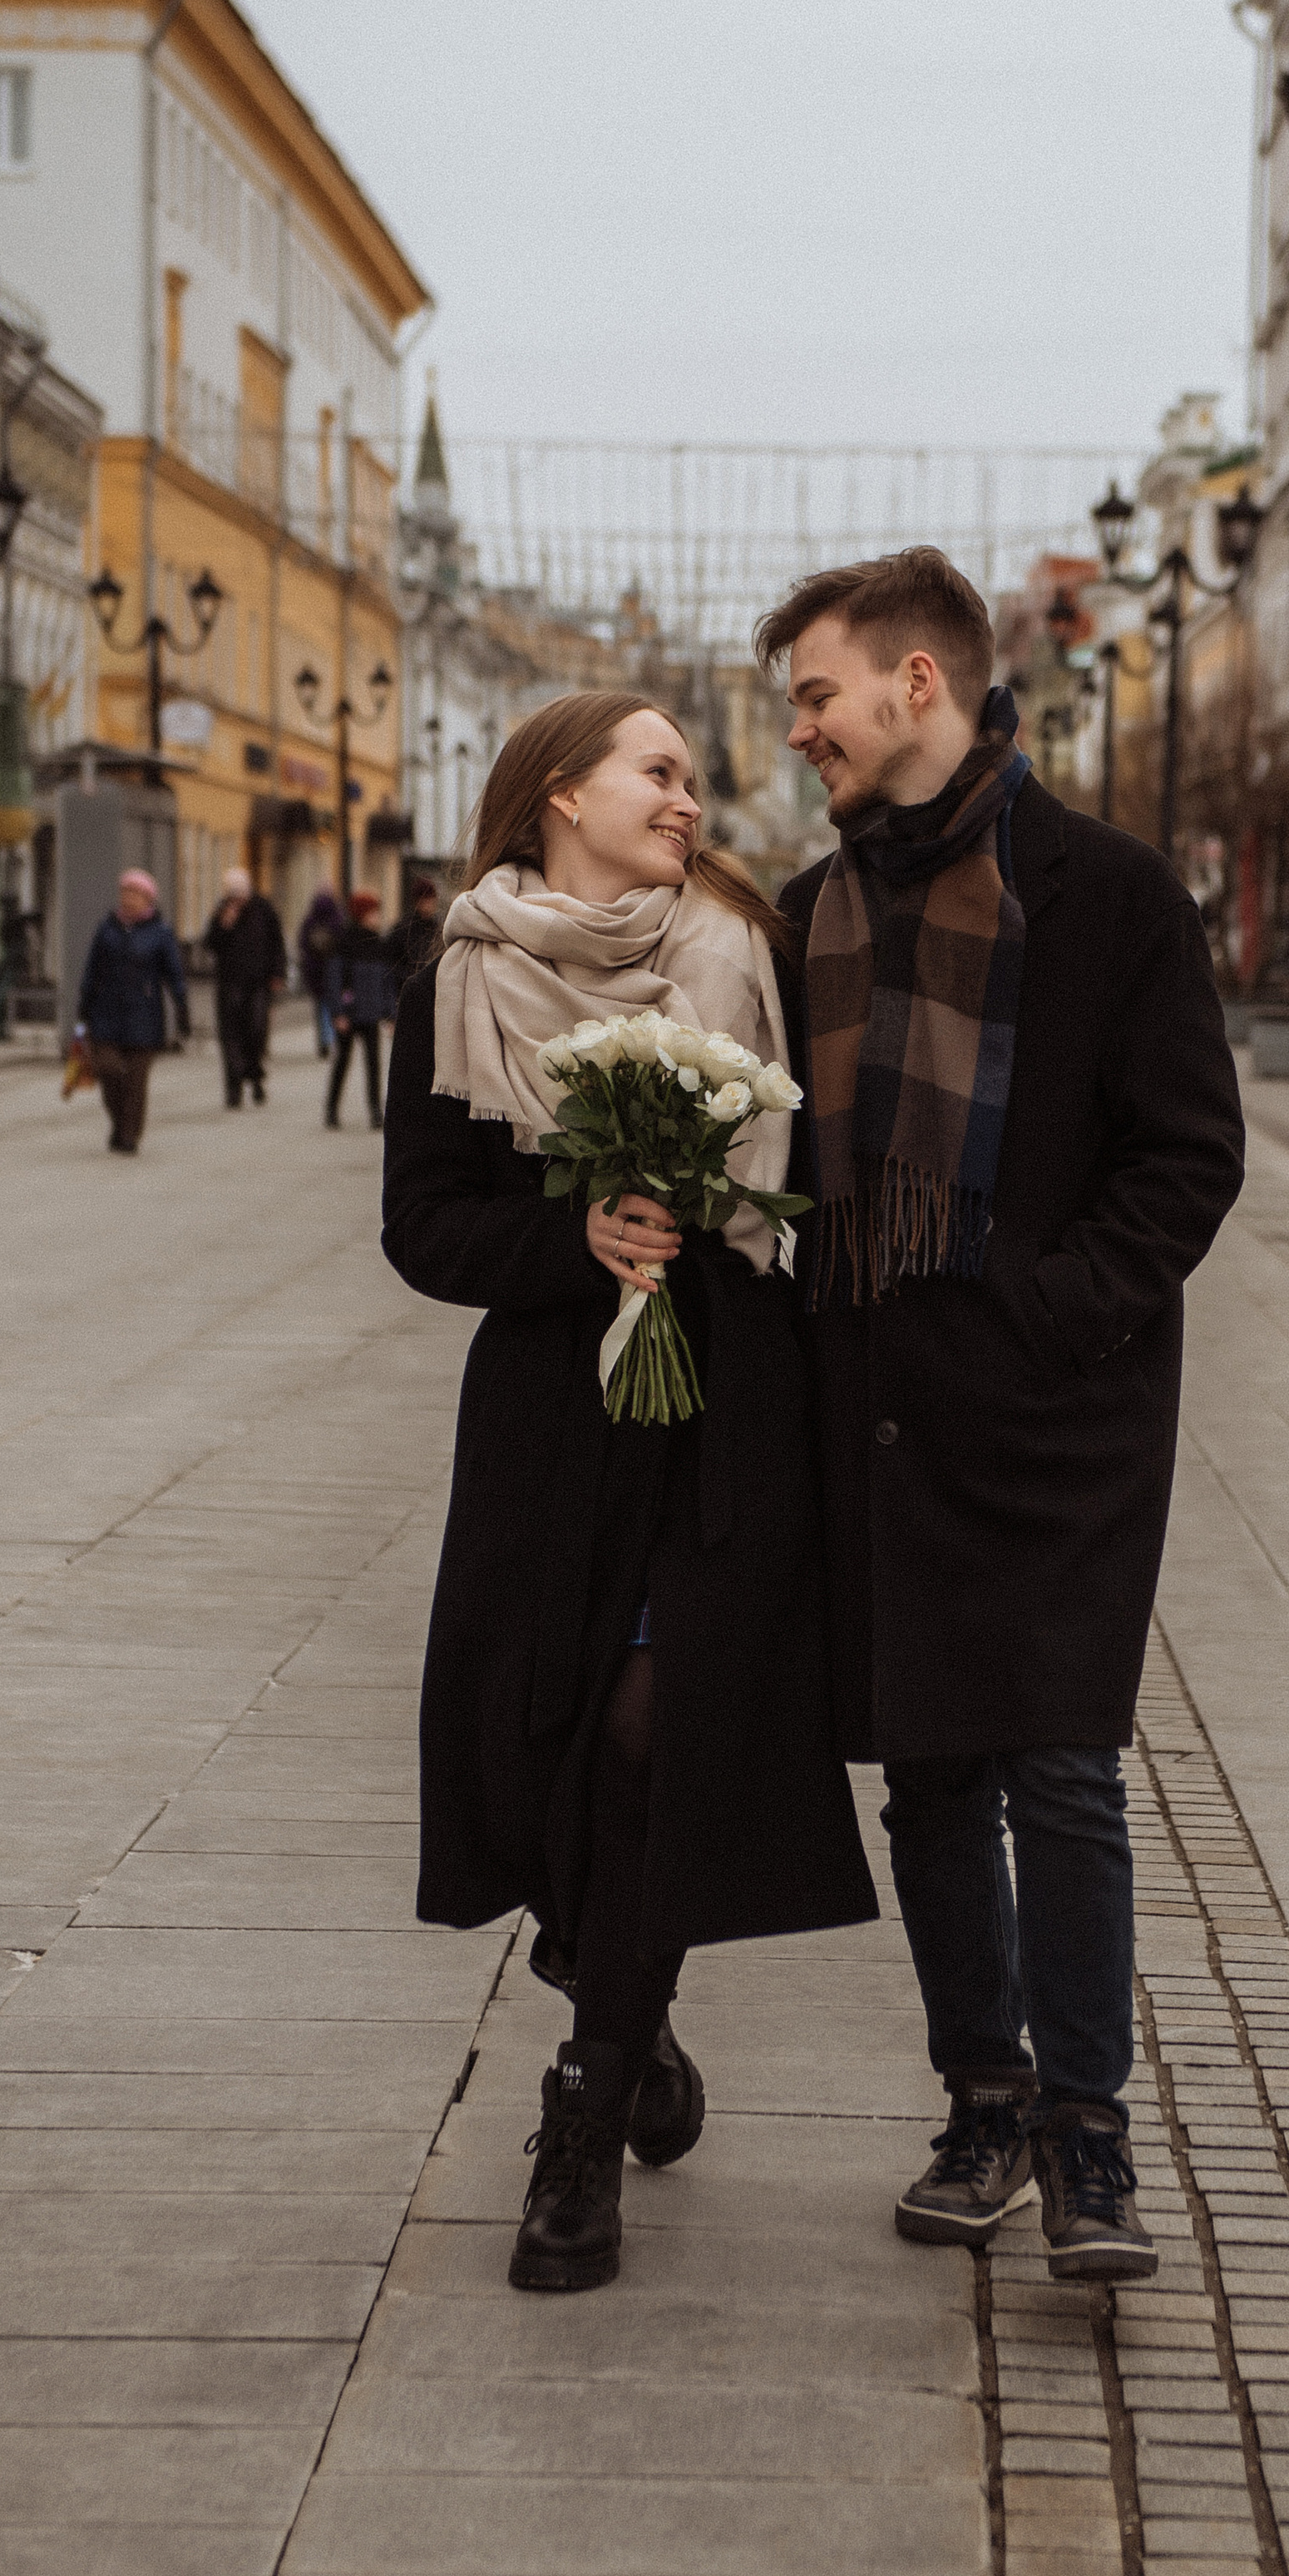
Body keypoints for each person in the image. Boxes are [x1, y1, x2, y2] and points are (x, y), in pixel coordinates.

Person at [758, 548, 1246, 2285]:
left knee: (1061, 1765)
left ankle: (1087, 2136)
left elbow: (1187, 1154)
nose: (798, 729)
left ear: (917, 682)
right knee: (933, 1777)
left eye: (815, 693)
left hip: (1058, 1423)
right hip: (884, 1415)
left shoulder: (1106, 893)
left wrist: (1052, 1314)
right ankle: (983, 2098)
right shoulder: (808, 914)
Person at [382, 690, 876, 2295]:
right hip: (551, 1425)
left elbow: (813, 1181)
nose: (687, 797)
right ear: (559, 791)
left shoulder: (742, 948)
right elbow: (422, 1224)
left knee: (650, 1726)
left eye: (690, 776)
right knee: (551, 1737)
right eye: (658, 771)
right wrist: (573, 1236)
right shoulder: (462, 978)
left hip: (722, 1410)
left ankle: (583, 2122)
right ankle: (631, 2006)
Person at [77, 868, 189, 1155]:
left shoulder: (161, 933)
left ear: (148, 899)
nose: (128, 898)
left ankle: (129, 1135)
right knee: (108, 1069)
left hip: (144, 1017)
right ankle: (119, 1122)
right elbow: (92, 969)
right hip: (106, 1013)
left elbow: (174, 974)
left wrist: (182, 1008)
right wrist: (84, 1004)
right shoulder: (107, 929)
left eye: (135, 893)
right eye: (125, 892)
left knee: (136, 1082)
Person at [204, 866, 287, 1108]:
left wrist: (278, 973)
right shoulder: (222, 911)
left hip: (258, 983)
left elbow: (277, 943)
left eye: (240, 894)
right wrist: (224, 925)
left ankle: (255, 1076)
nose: (237, 899)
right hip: (229, 984)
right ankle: (234, 1089)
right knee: (230, 1037)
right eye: (233, 894)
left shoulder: (264, 909)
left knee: (256, 1032)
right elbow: (209, 944)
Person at [327, 888, 395, 1130]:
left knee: (373, 1065)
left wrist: (390, 1014)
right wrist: (338, 1013)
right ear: (362, 914)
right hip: (349, 1013)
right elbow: (335, 979)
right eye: (374, 912)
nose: (377, 916)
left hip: (371, 1014)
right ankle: (332, 1109)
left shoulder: (379, 943)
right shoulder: (344, 942)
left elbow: (386, 982)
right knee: (342, 1062)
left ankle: (375, 1111)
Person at [298, 886, 345, 1058]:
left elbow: (303, 944)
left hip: (316, 971)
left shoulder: (310, 921)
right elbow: (343, 946)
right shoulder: (337, 920)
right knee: (334, 1007)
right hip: (333, 971)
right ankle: (331, 1037)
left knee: (322, 1008)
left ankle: (325, 1039)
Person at [386, 873, 442, 989]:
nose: (428, 905)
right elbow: (393, 963)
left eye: (431, 900)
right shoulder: (404, 930)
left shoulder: (437, 929)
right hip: (408, 987)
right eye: (425, 900)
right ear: (417, 902)